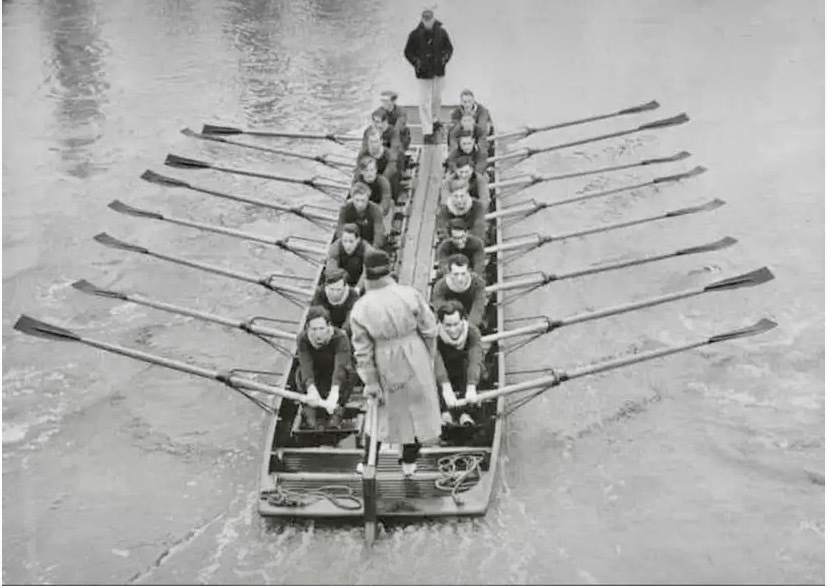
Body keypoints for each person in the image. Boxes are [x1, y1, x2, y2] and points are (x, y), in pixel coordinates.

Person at [350, 250, 442, 477]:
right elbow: (429, 329)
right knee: (417, 410)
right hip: (415, 354)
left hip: (385, 361)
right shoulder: (410, 294)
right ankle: (409, 462)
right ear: (389, 270)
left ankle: (368, 462)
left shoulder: (360, 307)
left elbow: (362, 351)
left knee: (381, 412)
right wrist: (427, 358)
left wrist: (371, 382)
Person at [294, 306, 355, 430]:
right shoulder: (302, 339)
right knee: (299, 373)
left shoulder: (340, 337)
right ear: (307, 328)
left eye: (321, 328)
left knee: (349, 371)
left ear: (328, 327)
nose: (318, 334)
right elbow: (306, 365)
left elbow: (340, 368)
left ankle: (338, 409)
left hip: (335, 374)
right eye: (314, 329)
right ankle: (310, 409)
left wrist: (334, 394)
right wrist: (311, 389)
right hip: (317, 373)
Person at [403, 8, 453, 138]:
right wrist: (417, 63)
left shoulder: (442, 32)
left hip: (438, 72)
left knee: (437, 99)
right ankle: (427, 129)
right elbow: (407, 52)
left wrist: (444, 59)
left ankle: (436, 122)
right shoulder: (414, 35)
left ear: (433, 18)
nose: (428, 22)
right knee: (424, 101)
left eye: (430, 19)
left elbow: (449, 49)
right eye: (425, 20)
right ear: (422, 20)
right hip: (423, 74)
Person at [434, 300, 483, 426]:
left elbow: (475, 360)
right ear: (440, 323)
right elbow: (436, 361)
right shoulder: (434, 336)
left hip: (463, 371)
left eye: (456, 324)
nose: (453, 329)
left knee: (477, 368)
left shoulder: (472, 332)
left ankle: (465, 413)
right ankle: (444, 411)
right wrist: (445, 387)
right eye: (448, 325)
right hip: (443, 371)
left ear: (463, 320)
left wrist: (471, 386)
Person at [431, 254, 488, 329]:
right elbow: (440, 308)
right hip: (449, 319)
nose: (460, 278)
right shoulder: (440, 287)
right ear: (449, 273)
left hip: (471, 318)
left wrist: (468, 327)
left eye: (463, 273)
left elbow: (478, 308)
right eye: (456, 274)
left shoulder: (478, 283)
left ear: (469, 271)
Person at [327, 223, 378, 292]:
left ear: (358, 239)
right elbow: (331, 270)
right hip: (341, 283)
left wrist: (357, 289)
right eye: (345, 241)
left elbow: (367, 273)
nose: (347, 245)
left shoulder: (368, 250)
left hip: (362, 284)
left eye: (351, 241)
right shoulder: (335, 247)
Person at [355, 128, 402, 201]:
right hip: (368, 181)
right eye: (371, 142)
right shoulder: (363, 154)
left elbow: (389, 172)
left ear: (381, 141)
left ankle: (394, 200)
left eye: (376, 141)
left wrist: (375, 181)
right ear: (367, 142)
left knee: (394, 175)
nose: (373, 145)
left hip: (385, 184)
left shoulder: (389, 154)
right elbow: (358, 172)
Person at [335, 183, 385, 249]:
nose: (360, 204)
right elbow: (339, 230)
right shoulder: (344, 208)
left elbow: (378, 234)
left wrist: (372, 249)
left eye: (363, 200)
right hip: (350, 241)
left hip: (369, 242)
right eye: (357, 200)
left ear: (368, 198)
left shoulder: (376, 210)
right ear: (352, 198)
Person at [311, 268, 360, 334]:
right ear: (327, 286)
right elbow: (319, 315)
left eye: (339, 290)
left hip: (344, 331)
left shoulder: (353, 295)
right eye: (332, 289)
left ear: (345, 287)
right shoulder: (320, 293)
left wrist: (342, 332)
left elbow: (350, 319)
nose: (335, 294)